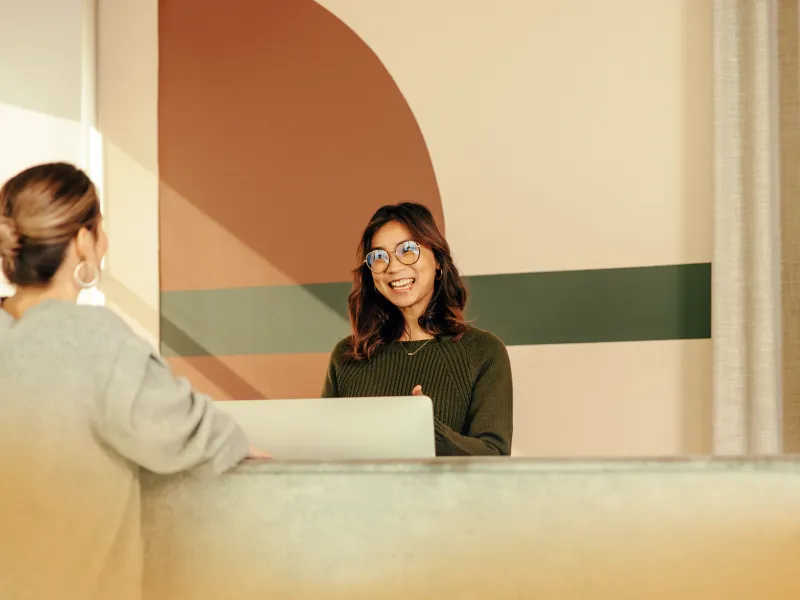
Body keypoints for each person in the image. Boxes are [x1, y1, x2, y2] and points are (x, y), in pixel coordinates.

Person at [0, 162, 267, 600]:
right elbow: (185, 430)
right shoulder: (96, 341)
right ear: (84, 241)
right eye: (100, 227)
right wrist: (237, 442)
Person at [321, 202, 513, 456]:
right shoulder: (347, 356)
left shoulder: (483, 351)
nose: (392, 267)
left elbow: (494, 455)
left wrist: (426, 429)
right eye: (379, 256)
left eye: (408, 250)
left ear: (438, 261)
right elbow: (323, 453)